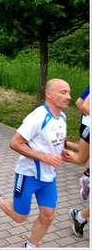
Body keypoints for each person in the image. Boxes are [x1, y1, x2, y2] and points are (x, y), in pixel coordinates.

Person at [0, 78, 71, 249]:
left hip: (49, 176)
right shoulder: (38, 116)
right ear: (49, 94)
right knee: (20, 216)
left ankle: (30, 245)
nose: (68, 97)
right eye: (63, 92)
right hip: (28, 174)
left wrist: (62, 149)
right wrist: (44, 157)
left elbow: (55, 138)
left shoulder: (63, 117)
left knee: (48, 216)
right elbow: (15, 143)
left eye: (69, 92)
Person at [62, 92, 90, 238]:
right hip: (88, 128)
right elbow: (82, 104)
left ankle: (80, 217)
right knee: (81, 159)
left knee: (82, 159)